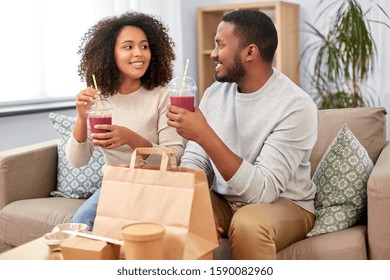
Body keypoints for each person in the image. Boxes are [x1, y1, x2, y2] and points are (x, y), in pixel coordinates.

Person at [166, 10, 317, 259]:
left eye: (220, 45)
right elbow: (195, 159)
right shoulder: (216, 93)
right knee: (177, 204)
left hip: (285, 204)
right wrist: (198, 200)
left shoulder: (296, 106)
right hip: (225, 199)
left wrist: (204, 134)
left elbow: (263, 191)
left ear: (250, 52)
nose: (213, 53)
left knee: (248, 223)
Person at [66, 12, 184, 230]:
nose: (139, 53)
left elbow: (174, 158)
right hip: (116, 186)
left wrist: (130, 138)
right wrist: (82, 118)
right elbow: (77, 161)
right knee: (80, 225)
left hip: (157, 187)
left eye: (144, 46)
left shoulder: (162, 96)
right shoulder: (99, 100)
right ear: (109, 53)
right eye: (128, 47)